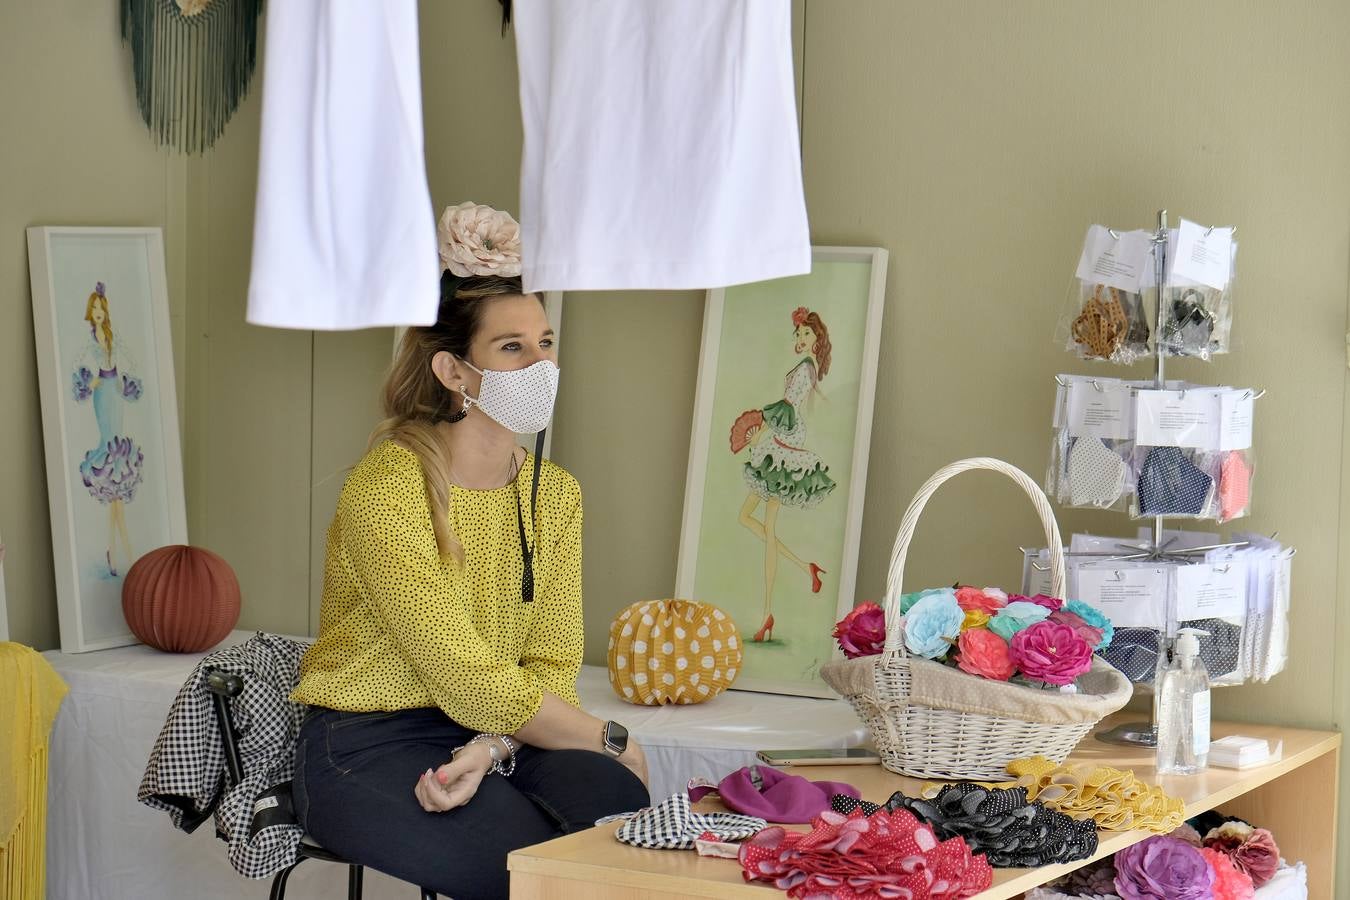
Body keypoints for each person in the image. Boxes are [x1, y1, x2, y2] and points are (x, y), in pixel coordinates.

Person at [291, 204, 650, 899]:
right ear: (454, 371)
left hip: (501, 730)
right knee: (525, 866)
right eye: (513, 348)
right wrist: (612, 737)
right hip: (369, 741)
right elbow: (461, 673)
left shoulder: (555, 494)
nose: (542, 364)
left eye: (546, 342)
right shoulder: (386, 489)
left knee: (618, 820)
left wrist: (493, 748)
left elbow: (550, 662)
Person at [733, 306, 837, 642]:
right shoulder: (806, 367)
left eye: (805, 333)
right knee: (749, 518)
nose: (800, 338)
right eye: (798, 334)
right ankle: (804, 566)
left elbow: (788, 409)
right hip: (783, 442)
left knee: (763, 526)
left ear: (816, 338)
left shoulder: (806, 368)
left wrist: (763, 433)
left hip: (784, 446)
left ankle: (766, 614)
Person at [72, 282, 144, 577]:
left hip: (115, 392)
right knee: (108, 442)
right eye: (94, 310)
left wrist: (123, 380)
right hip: (103, 394)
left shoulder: (113, 338)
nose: (98, 314)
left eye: (100, 309)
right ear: (90, 313)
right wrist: (92, 384)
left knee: (118, 445)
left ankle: (117, 553)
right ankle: (121, 553)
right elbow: (78, 366)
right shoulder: (91, 341)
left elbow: (132, 360)